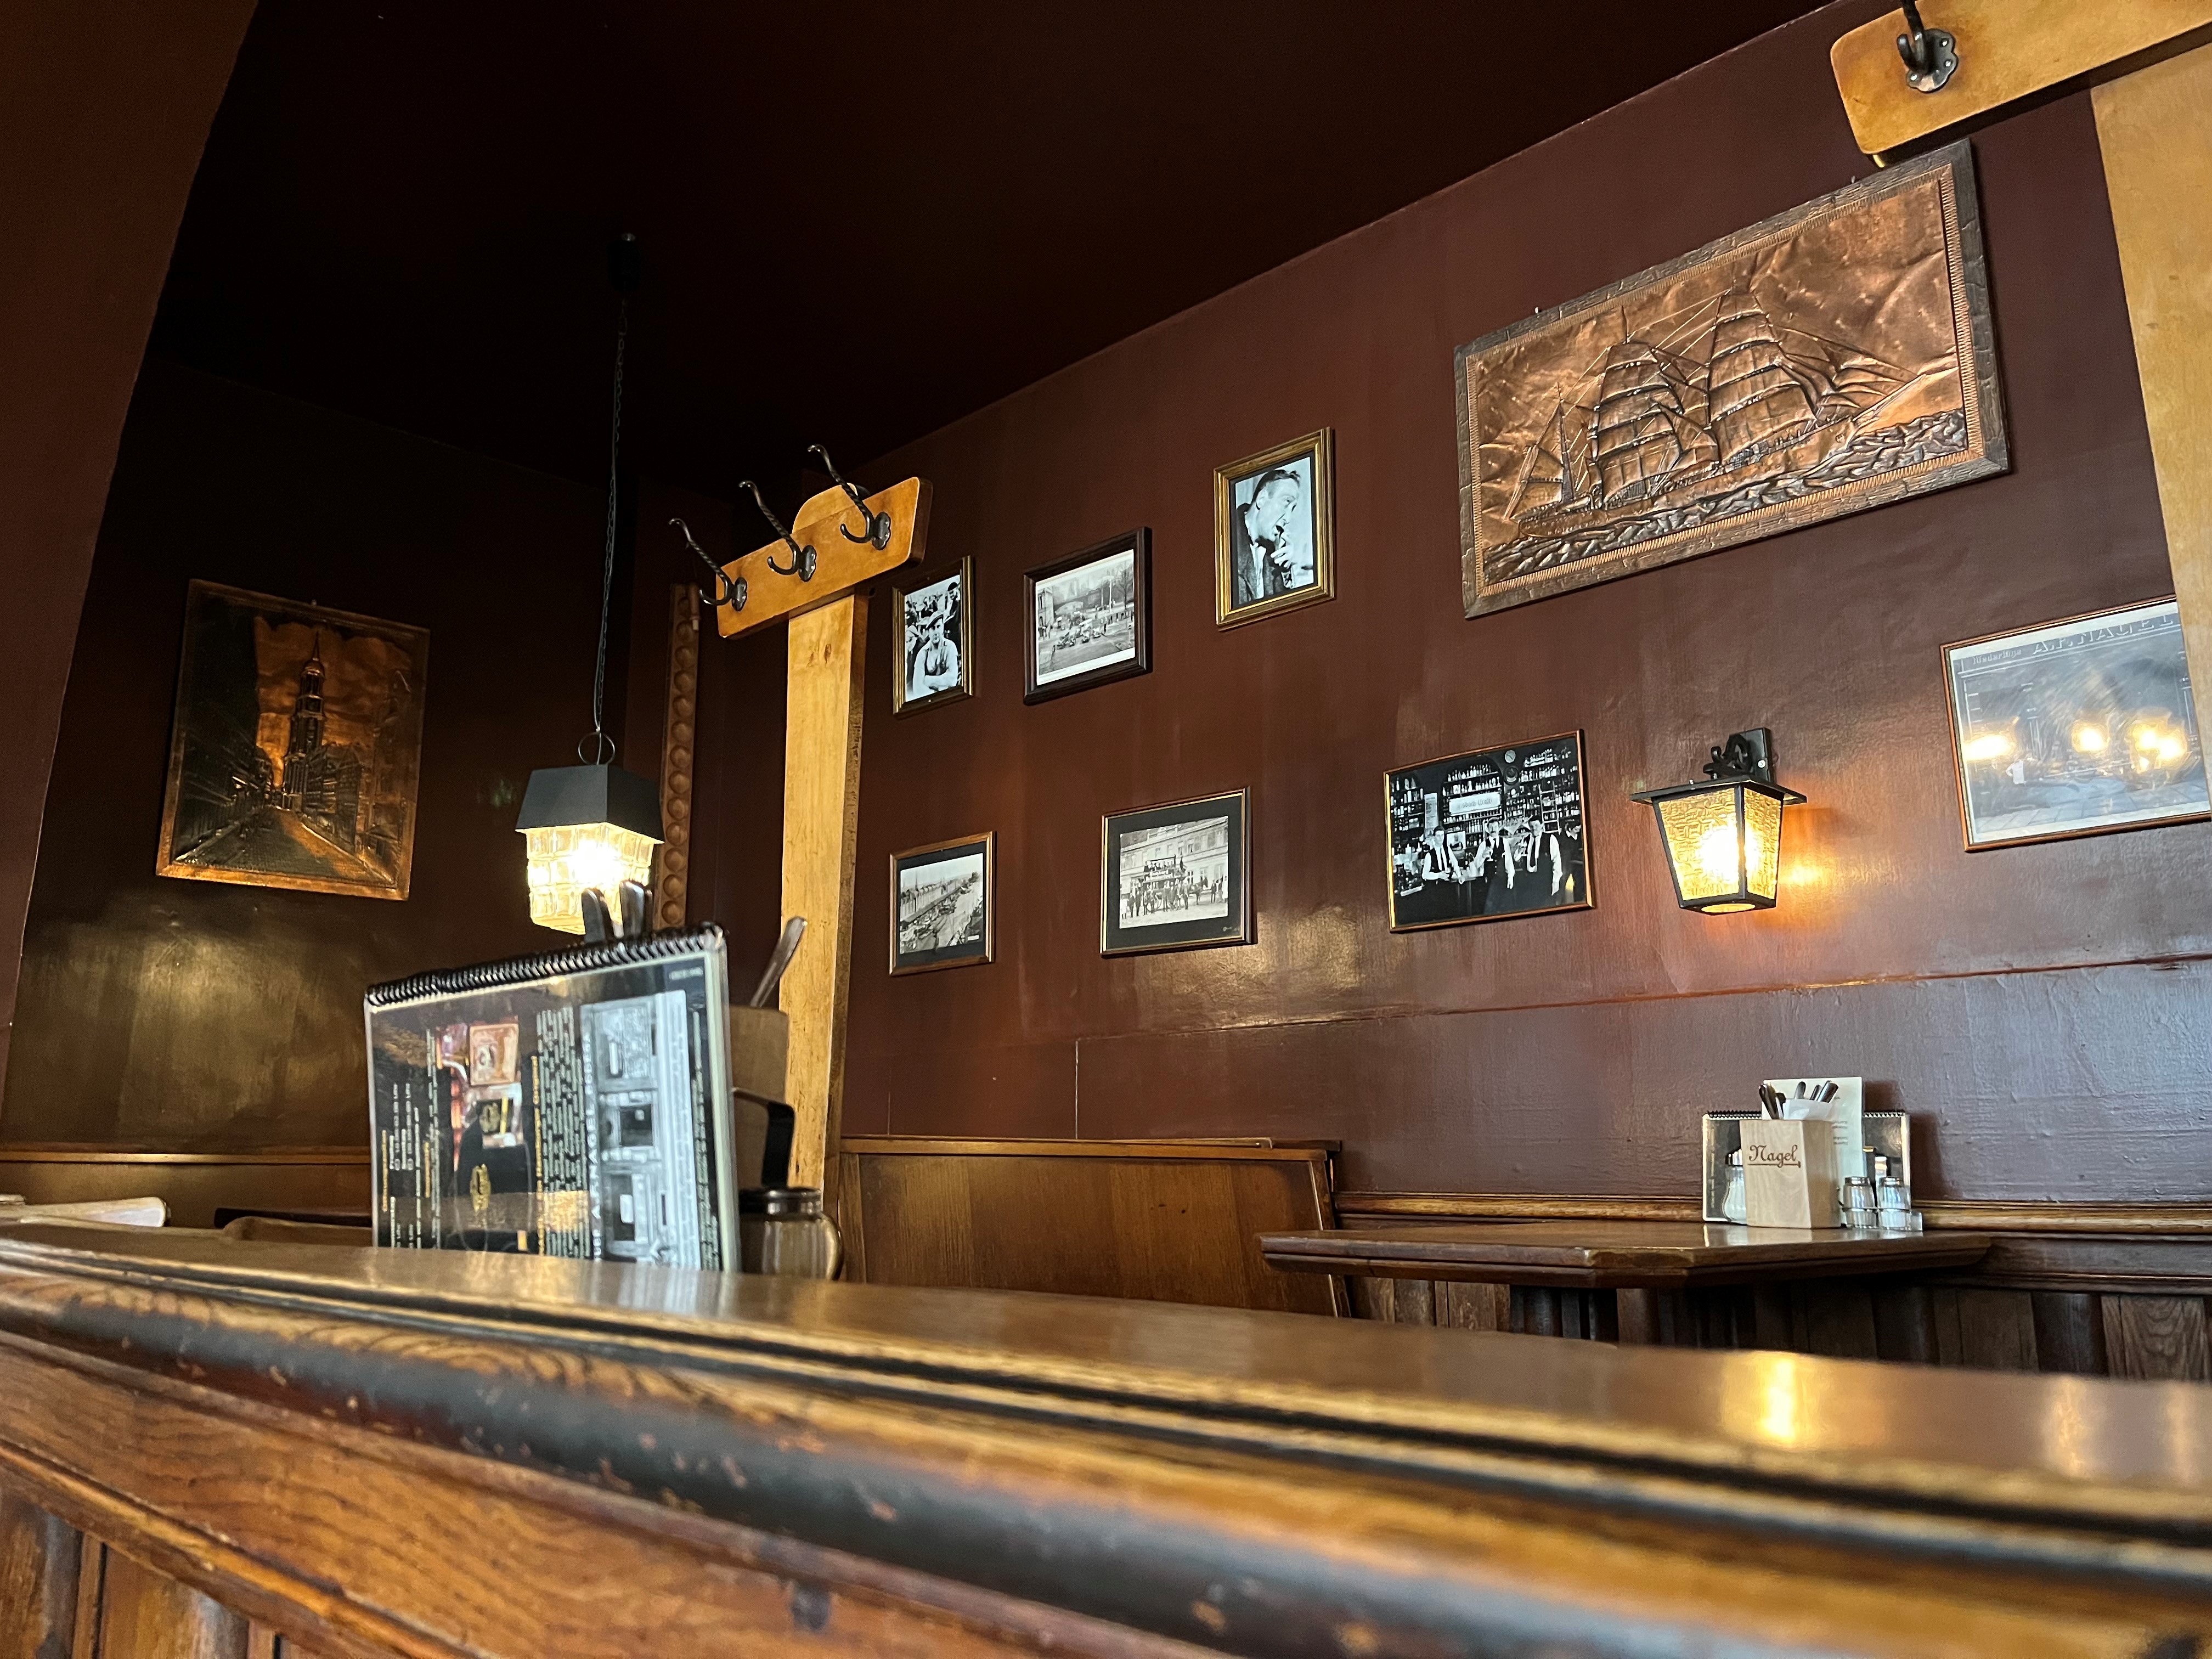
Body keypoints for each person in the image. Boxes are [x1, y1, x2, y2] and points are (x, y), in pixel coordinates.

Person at [1229, 466, 1306, 609]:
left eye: (1293, 509)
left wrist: (1285, 570)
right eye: (1286, 502)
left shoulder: (1273, 551)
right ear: (1262, 499)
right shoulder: (1227, 540)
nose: (1288, 519)